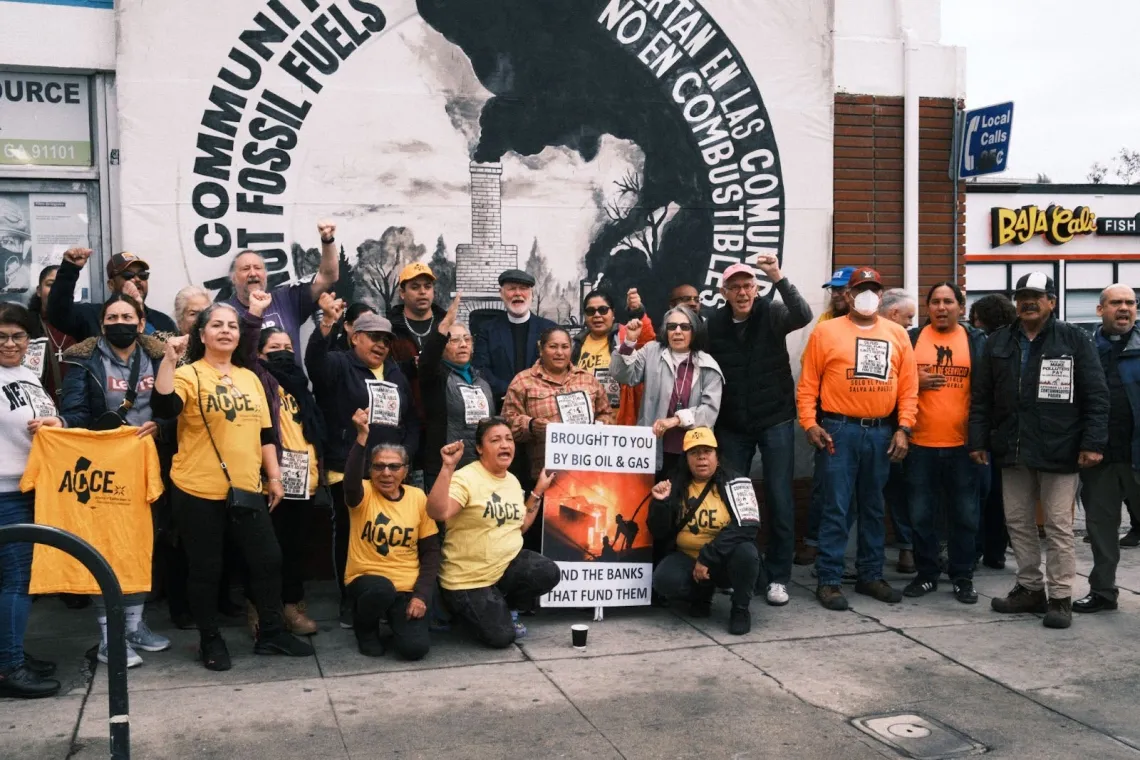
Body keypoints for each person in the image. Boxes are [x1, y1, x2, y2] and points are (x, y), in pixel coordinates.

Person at [151, 305, 314, 670]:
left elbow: (266, 433)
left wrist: (274, 478)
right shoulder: (190, 374)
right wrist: (169, 360)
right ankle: (210, 638)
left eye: (232, 326)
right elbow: (163, 406)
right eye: (216, 325)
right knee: (206, 568)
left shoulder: (250, 377)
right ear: (202, 334)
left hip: (247, 488)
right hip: (196, 489)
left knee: (268, 560)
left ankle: (271, 633)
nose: (226, 331)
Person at [969, 272, 1109, 630]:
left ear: (1052, 301)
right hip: (1012, 448)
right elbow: (982, 397)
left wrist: (1092, 443)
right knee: (1018, 522)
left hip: (1061, 450)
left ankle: (1060, 597)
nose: (1028, 302)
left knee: (1059, 526)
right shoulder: (999, 341)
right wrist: (979, 440)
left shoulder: (1075, 339)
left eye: (1035, 295)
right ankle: (1030, 588)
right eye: (1022, 296)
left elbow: (1096, 395)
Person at [59, 293, 174, 665]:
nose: (119, 322)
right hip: (103, 467)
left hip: (150, 463)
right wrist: (59, 426)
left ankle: (135, 625)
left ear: (141, 323)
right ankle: (111, 637)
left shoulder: (159, 356)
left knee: (143, 543)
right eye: (112, 317)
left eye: (128, 316)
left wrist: (163, 426)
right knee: (106, 547)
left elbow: (175, 406)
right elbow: (75, 411)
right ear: (102, 323)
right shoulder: (83, 359)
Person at [797, 266, 917, 611]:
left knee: (873, 506)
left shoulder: (897, 334)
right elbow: (808, 385)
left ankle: (870, 574)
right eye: (859, 289)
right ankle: (830, 579)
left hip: (881, 430)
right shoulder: (826, 332)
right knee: (836, 505)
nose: (866, 295)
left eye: (873, 289)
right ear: (847, 295)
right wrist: (809, 423)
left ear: (881, 296)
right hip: (839, 429)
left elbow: (908, 388)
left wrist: (904, 427)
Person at [306, 300, 419, 627]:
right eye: (373, 337)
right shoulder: (338, 364)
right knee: (351, 535)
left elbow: (410, 419)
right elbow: (314, 363)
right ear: (354, 337)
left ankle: (386, 596)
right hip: (348, 468)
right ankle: (349, 600)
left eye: (386, 339)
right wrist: (326, 323)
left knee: (386, 534)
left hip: (390, 472)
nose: (382, 344)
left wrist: (406, 452)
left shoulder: (395, 373)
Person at [706, 259, 811, 608]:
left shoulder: (773, 313)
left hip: (776, 419)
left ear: (756, 288)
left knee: (780, 497)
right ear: (724, 292)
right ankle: (737, 572)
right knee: (733, 500)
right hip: (733, 424)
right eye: (734, 286)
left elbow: (803, 314)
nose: (742, 292)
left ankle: (778, 576)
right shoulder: (714, 325)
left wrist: (778, 276)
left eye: (748, 285)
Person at [427, 418, 560, 648]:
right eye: (495, 440)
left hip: (502, 570)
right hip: (468, 579)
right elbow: (438, 512)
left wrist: (538, 489)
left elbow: (518, 526)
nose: (505, 445)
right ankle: (454, 608)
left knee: (548, 572)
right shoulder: (465, 478)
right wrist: (448, 467)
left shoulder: (512, 480)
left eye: (509, 439)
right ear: (479, 448)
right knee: (501, 638)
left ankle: (503, 606)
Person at [240, 289, 326, 636]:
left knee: (295, 551)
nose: (284, 354)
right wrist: (256, 314)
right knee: (266, 553)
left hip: (304, 480)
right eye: (274, 349)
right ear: (260, 354)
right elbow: (245, 351)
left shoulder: (299, 385)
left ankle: (292, 607)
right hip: (269, 481)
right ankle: (261, 609)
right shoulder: (258, 378)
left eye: (288, 349)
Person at [902, 283, 987, 604]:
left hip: (964, 447)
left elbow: (988, 393)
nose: (941, 307)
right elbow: (890, 383)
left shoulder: (977, 342)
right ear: (927, 308)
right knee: (921, 515)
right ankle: (926, 575)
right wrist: (913, 380)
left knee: (965, 515)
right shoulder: (910, 340)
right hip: (918, 445)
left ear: (961, 308)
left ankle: (963, 576)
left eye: (948, 302)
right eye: (935, 302)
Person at [0, 303, 63, 698]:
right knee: (16, 581)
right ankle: (9, 667)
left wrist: (57, 424)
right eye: (2, 336)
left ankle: (11, 652)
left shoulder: (28, 375)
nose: (9, 343)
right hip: (3, 491)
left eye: (17, 336)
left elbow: (51, 422)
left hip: (28, 488)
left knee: (19, 581)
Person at [344, 409, 440, 659]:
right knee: (381, 590)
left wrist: (420, 596)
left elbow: (430, 553)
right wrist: (361, 438)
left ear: (405, 471)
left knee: (415, 649)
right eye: (379, 466)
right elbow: (351, 481)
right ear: (370, 470)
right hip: (366, 579)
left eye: (394, 466)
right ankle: (365, 629)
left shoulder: (418, 497)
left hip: (406, 585)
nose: (386, 473)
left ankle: (395, 620)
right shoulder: (362, 492)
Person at [648, 427, 761, 634]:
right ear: (686, 459)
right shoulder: (675, 484)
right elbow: (659, 531)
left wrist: (707, 558)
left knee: (747, 553)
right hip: (687, 557)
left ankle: (740, 609)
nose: (701, 458)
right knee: (663, 579)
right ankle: (701, 594)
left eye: (707, 452)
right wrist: (660, 504)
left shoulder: (737, 482)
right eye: (694, 453)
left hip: (724, 558)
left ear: (717, 456)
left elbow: (749, 527)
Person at [1071, 285, 1140, 614]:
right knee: (1101, 529)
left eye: (1130, 303)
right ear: (1101, 310)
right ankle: (1102, 591)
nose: (1124, 308)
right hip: (1099, 457)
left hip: (1137, 454)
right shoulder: (1085, 351)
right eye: (1116, 303)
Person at [610, 305, 724, 477]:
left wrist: (675, 420)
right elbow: (623, 376)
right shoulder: (651, 351)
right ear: (665, 330)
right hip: (652, 448)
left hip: (691, 450)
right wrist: (629, 342)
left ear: (694, 331)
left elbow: (709, 412)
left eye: (684, 327)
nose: (677, 331)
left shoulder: (708, 364)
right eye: (672, 326)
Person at [503, 327, 614, 484]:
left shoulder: (588, 380)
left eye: (565, 347)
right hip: (542, 477)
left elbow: (606, 414)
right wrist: (531, 425)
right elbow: (507, 424)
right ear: (541, 349)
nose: (559, 353)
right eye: (553, 346)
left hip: (585, 473)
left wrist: (599, 426)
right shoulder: (522, 381)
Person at [225, 220, 339, 363]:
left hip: (291, 384)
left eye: (258, 268)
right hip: (249, 384)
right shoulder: (224, 311)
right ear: (233, 278)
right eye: (245, 269)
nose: (253, 273)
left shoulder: (286, 298)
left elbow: (328, 277)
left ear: (265, 275)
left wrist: (327, 241)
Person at [417, 295, 494, 492]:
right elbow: (427, 361)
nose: (463, 344)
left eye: (467, 339)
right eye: (454, 340)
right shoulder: (435, 377)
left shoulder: (482, 380)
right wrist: (445, 325)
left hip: (479, 467)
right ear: (442, 345)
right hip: (445, 467)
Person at [967, 293, 1017, 568]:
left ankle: (975, 549)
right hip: (1008, 432)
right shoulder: (1016, 341)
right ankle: (996, 552)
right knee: (1002, 498)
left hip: (986, 431)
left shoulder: (983, 345)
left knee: (980, 495)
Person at [472, 269, 557, 411]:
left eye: (523, 289)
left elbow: (556, 368)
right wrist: (511, 391)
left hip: (541, 405)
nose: (518, 293)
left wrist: (531, 393)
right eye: (512, 289)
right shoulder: (487, 330)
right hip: (500, 406)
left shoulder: (549, 330)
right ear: (501, 294)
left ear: (532, 294)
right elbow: (480, 369)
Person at [47, 248, 178, 339]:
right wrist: (70, 269)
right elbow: (58, 313)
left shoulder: (162, 322)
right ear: (111, 285)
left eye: (142, 275)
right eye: (128, 275)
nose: (137, 279)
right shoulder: (91, 316)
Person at [571, 288, 655, 426]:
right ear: (585, 316)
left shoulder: (627, 334)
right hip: (584, 426)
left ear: (613, 313)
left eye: (603, 310)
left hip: (620, 423)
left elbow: (647, 342)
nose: (597, 315)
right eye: (590, 311)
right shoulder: (575, 344)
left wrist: (637, 312)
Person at [878, 288, 918, 574]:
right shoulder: (863, 332)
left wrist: (903, 427)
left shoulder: (905, 339)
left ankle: (907, 548)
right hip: (864, 427)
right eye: (908, 317)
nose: (910, 323)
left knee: (898, 490)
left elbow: (908, 385)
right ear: (893, 314)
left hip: (896, 429)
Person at [26, 265, 75, 403]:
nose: (56, 290)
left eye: (61, 285)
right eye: (50, 284)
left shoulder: (82, 324)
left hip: (78, 409)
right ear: (39, 291)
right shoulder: (27, 325)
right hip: (38, 408)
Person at [388, 263, 446, 362]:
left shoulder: (446, 325)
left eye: (427, 287)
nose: (422, 292)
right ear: (402, 293)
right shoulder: (390, 328)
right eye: (415, 287)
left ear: (433, 291)